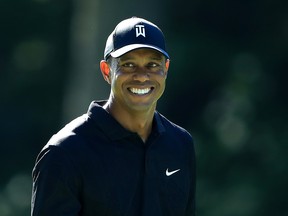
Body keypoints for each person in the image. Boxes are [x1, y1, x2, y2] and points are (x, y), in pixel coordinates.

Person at [31, 16, 196, 216]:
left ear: (166, 69)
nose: (142, 75)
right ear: (106, 71)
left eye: (152, 65)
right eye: (128, 65)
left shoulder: (180, 144)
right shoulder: (65, 152)